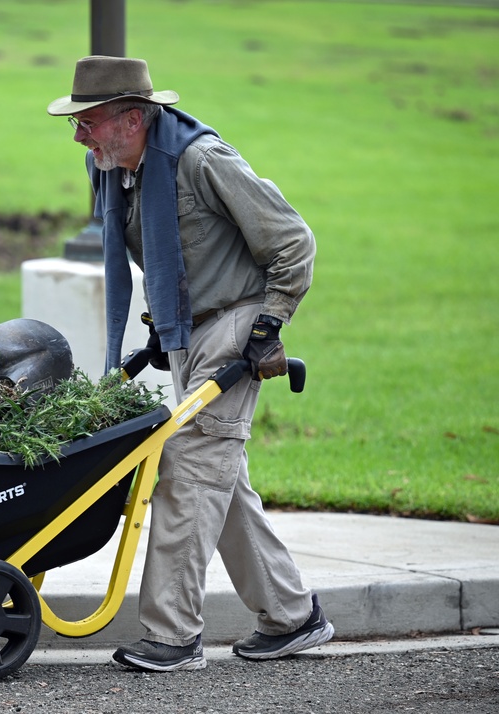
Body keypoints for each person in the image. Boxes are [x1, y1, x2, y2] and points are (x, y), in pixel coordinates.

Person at [47, 55, 333, 672]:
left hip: (237, 322)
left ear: (133, 117)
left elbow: (292, 242)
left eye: (88, 121)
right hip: (186, 332)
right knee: (221, 483)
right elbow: (162, 254)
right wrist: (161, 327)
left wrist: (268, 325)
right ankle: (292, 617)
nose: (78, 135)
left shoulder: (201, 160)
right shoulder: (115, 168)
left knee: (188, 469)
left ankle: (172, 636)